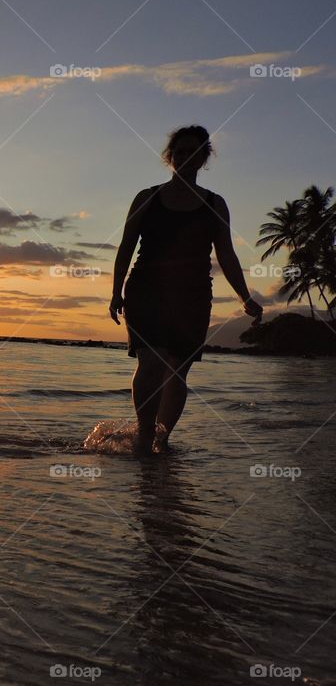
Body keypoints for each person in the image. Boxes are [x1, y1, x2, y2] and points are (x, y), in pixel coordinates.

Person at [109, 125, 263, 454]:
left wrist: (245, 296)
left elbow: (226, 254)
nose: (185, 157)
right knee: (151, 363)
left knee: (177, 369)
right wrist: (115, 292)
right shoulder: (147, 197)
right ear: (170, 157)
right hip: (146, 289)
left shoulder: (214, 204)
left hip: (192, 296)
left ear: (204, 158)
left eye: (194, 151)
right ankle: (144, 436)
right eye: (180, 151)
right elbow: (126, 247)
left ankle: (161, 441)